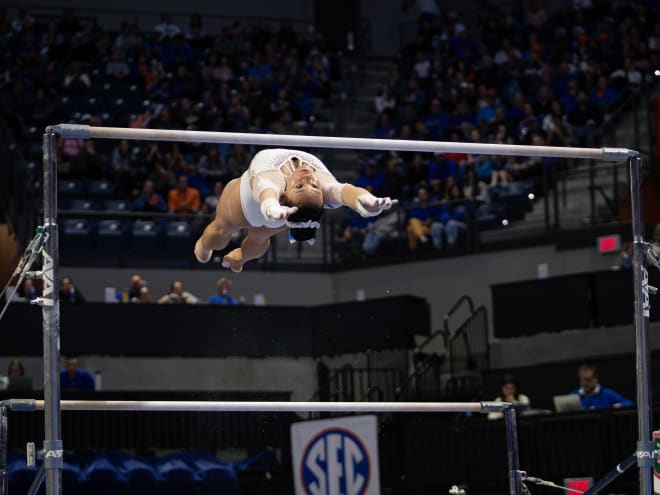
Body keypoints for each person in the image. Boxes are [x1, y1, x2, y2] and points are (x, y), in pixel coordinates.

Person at [194, 148, 397, 272]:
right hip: (277, 214)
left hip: (248, 208)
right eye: (314, 187)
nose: (308, 179)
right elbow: (346, 192)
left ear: (285, 196)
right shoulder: (322, 183)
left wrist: (271, 206)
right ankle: (225, 254)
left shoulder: (270, 174)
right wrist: (366, 202)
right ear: (323, 198)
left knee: (225, 230)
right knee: (246, 237)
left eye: (299, 187)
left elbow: (266, 191)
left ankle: (222, 252)